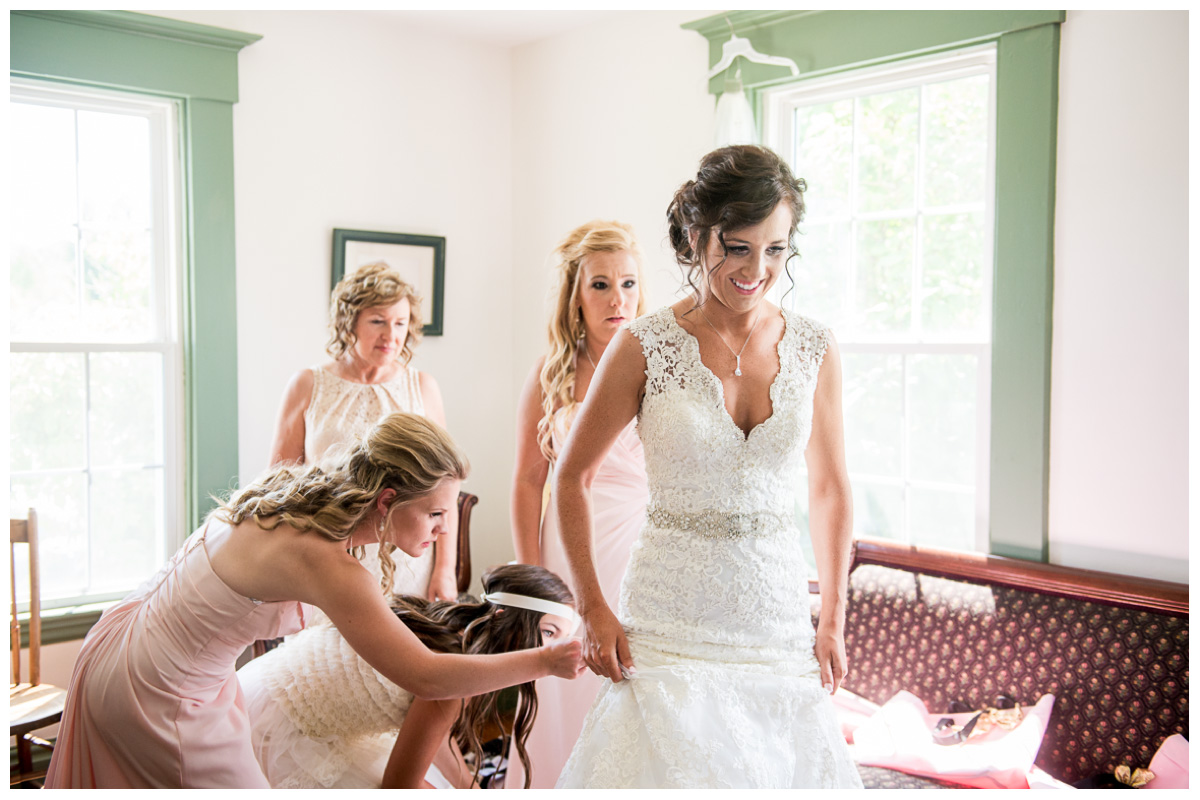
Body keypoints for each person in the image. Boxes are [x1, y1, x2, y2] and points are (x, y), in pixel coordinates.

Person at [44, 413, 584, 789]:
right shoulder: (329, 562)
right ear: (389, 499)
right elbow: (426, 677)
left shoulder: (297, 494)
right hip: (159, 685)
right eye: (436, 514)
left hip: (129, 641)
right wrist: (543, 660)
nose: (445, 531)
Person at [553, 146, 863, 788]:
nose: (757, 269)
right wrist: (593, 607)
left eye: (776, 249)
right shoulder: (643, 346)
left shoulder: (814, 347)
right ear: (697, 237)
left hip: (776, 619)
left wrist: (831, 614)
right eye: (738, 247)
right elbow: (570, 477)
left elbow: (830, 487)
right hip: (670, 619)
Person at [508, 220, 649, 788]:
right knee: (568, 676)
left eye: (629, 283)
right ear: (575, 293)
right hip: (569, 548)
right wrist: (531, 581)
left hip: (643, 543)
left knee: (633, 677)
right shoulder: (551, 374)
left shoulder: (658, 365)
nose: (618, 299)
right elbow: (524, 482)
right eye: (600, 285)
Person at [238, 564, 578, 789]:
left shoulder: (449, 629)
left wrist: (468, 787)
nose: (552, 648)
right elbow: (397, 788)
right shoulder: (449, 678)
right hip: (280, 730)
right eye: (548, 633)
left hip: (266, 682)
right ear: (504, 619)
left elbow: (434, 732)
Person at [270, 261, 454, 602]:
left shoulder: (423, 387)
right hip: (325, 552)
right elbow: (279, 482)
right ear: (348, 322)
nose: (391, 335)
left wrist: (445, 570)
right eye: (377, 321)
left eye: (400, 323)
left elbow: (445, 490)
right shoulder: (308, 385)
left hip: (407, 559)